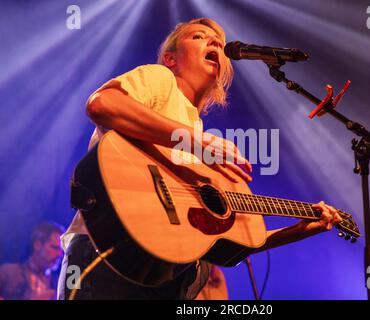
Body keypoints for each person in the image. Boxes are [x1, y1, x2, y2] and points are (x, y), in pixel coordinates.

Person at [58, 17, 343, 300]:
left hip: (161, 276)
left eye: (219, 42)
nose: (214, 43)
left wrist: (295, 231)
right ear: (170, 58)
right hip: (107, 257)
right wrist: (196, 142)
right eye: (198, 36)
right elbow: (102, 104)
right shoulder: (162, 80)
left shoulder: (196, 127)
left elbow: (220, 242)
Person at [0, 222, 64, 300]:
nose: (60, 254)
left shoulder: (58, 282)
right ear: (38, 245)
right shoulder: (8, 272)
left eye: (62, 250)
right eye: (54, 248)